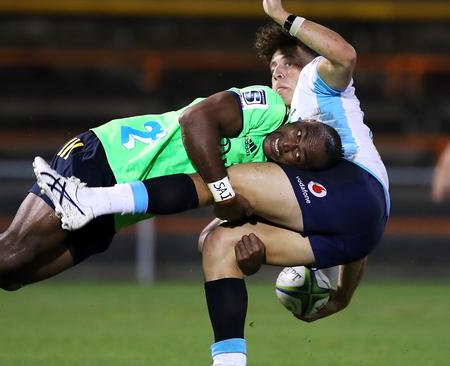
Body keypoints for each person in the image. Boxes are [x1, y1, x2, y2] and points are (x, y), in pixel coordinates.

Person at [0, 83, 343, 366]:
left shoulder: (271, 178)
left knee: (12, 272)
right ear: (296, 120)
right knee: (13, 248)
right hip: (107, 158)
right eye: (299, 135)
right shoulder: (269, 108)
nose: (292, 145)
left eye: (302, 155)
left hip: (118, 210)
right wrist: (226, 192)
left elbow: (229, 232)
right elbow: (196, 122)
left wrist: (251, 258)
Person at [35, 1, 390, 365]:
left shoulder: (319, 82)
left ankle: (94, 201)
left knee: (226, 181)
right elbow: (355, 223)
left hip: (362, 196)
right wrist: (341, 293)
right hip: (356, 233)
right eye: (273, 67)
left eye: (287, 63)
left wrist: (283, 16)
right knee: (220, 246)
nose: (278, 73)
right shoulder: (291, 137)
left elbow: (345, 55)